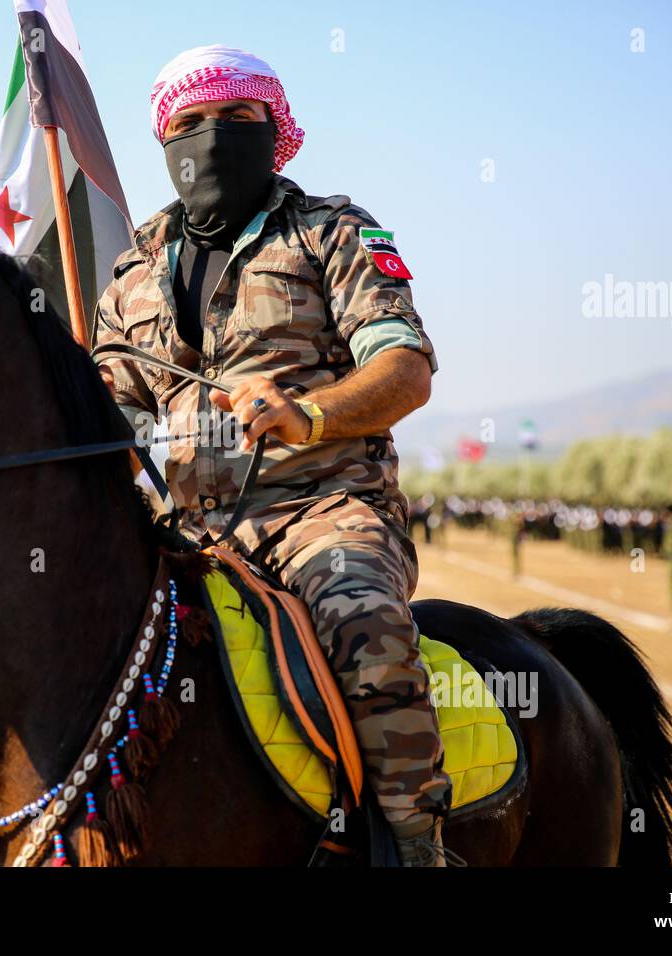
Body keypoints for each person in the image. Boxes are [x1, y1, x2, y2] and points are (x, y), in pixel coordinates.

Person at [93, 45, 455, 865]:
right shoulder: (131, 273)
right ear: (165, 141)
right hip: (179, 530)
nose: (213, 138)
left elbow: (406, 368)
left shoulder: (334, 232)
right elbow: (110, 411)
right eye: (191, 124)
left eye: (236, 119)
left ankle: (412, 843)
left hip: (322, 514)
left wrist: (310, 413)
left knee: (365, 623)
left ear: (274, 129)